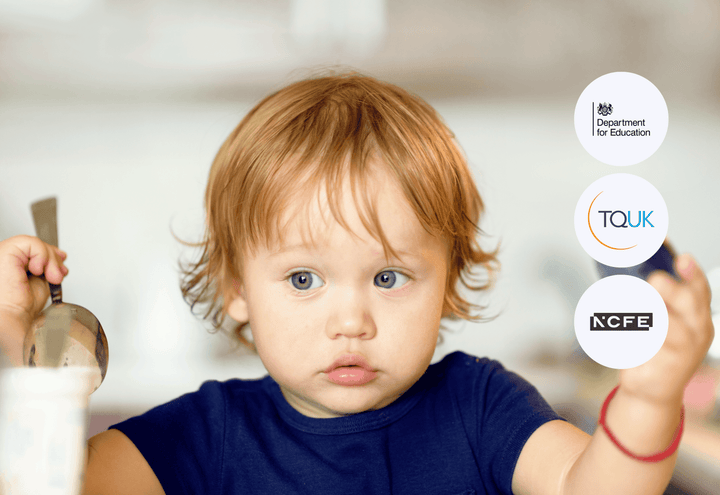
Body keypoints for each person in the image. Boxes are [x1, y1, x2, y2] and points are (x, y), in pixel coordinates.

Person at [0, 72, 713, 495]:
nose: (351, 319)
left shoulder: (482, 407)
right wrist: (22, 352)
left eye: (389, 276)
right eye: (304, 278)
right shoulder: (206, 435)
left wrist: (649, 395)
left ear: (449, 280)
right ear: (237, 287)